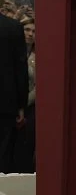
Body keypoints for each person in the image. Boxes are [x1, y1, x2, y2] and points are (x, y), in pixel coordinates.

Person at [0, 13, 28, 173]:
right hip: (6, 101)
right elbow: (20, 68)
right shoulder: (13, 27)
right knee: (3, 152)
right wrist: (21, 105)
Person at [12, 17, 36, 173]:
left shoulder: (39, 55)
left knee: (26, 145)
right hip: (11, 105)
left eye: (34, 31)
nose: (30, 34)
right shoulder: (11, 51)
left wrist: (23, 103)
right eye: (27, 29)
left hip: (30, 106)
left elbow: (39, 86)